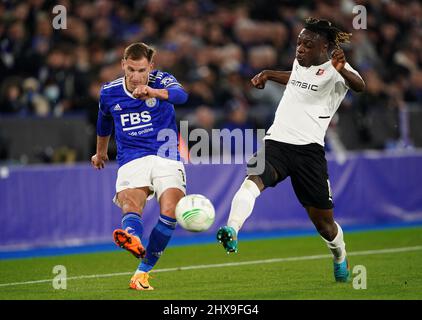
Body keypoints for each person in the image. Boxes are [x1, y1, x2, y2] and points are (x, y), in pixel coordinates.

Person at [216, 18, 365, 282]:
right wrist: (270, 74)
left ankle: (340, 256)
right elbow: (297, 80)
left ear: (325, 47)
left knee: (324, 225)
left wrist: (342, 70)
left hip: (309, 153)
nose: (300, 49)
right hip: (277, 143)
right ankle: (232, 229)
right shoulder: (300, 63)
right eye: (299, 43)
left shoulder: (336, 69)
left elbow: (360, 86)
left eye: (308, 45)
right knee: (252, 182)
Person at [91, 42, 188, 290]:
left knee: (170, 211)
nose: (136, 77)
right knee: (130, 202)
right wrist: (100, 153)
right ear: (123, 65)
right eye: (131, 70)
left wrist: (153, 92)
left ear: (151, 67)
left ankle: (141, 273)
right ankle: (132, 238)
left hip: (166, 155)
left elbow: (182, 96)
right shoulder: (109, 92)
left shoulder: (162, 80)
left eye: (142, 70)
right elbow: (104, 122)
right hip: (132, 157)